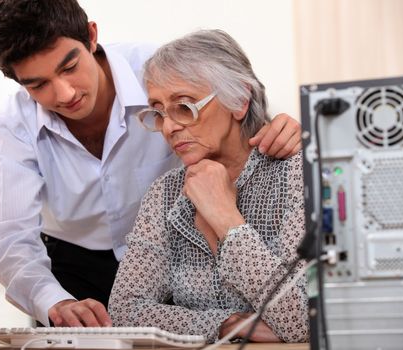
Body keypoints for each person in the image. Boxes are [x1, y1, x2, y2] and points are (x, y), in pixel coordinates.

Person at [0, 0, 303, 328]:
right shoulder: (13, 126)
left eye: (69, 67)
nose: (65, 93)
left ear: (91, 36)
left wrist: (283, 130)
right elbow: (13, 237)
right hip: (73, 265)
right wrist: (54, 300)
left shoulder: (158, 72)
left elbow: (239, 108)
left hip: (169, 259)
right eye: (38, 85)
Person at [108, 29, 308, 343]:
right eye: (158, 112)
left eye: (184, 107)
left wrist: (226, 219)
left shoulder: (296, 175)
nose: (170, 127)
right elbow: (124, 312)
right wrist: (225, 324)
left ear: (239, 101)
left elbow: (302, 322)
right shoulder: (165, 193)